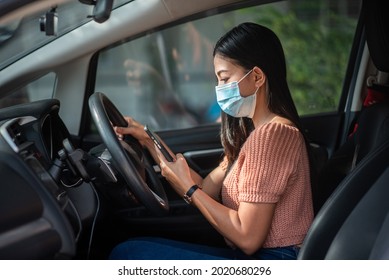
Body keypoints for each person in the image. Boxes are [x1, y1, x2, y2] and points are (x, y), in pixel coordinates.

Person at [109, 22, 314, 260]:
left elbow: (247, 238)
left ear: (257, 76)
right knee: (133, 247)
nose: (219, 89)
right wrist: (146, 138)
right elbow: (206, 188)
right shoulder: (252, 135)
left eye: (225, 78)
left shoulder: (271, 137)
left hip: (274, 259)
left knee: (126, 253)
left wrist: (188, 188)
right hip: (258, 257)